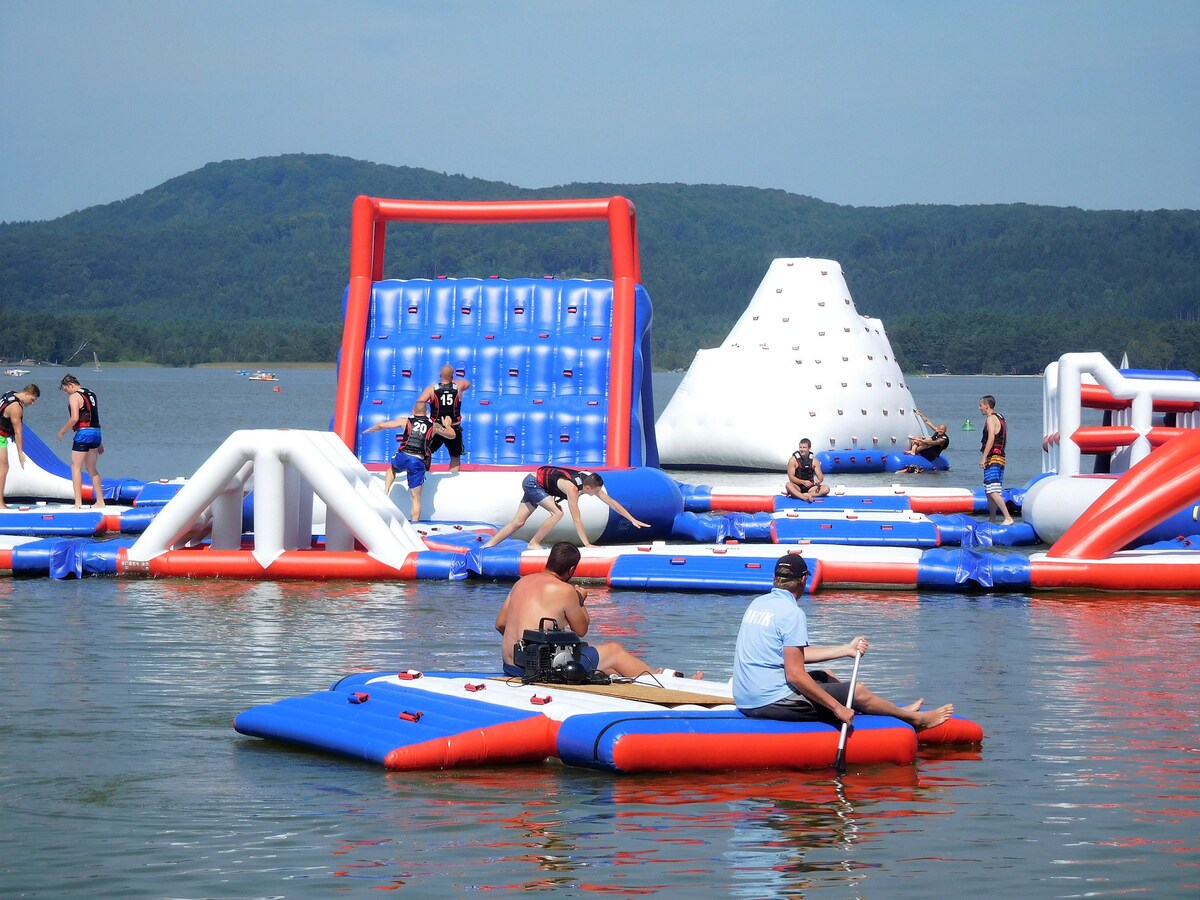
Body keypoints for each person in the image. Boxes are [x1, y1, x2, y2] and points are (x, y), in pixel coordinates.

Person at [733, 553, 954, 731]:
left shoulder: (758, 604)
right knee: (857, 691)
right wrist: (837, 708)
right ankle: (916, 720)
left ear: (775, 579)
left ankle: (897, 711)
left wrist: (846, 649)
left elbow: (794, 655)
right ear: (803, 581)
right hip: (771, 701)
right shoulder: (792, 613)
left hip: (745, 697)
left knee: (826, 675)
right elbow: (795, 675)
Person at [495, 541, 701, 679]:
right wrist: (580, 600)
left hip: (511, 665)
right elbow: (581, 629)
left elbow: (500, 624)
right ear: (571, 570)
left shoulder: (521, 583)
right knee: (614, 651)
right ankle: (661, 681)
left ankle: (641, 676)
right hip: (538, 671)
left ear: (549, 561)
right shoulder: (565, 590)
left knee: (604, 665)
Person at [482, 465, 650, 550]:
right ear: (588, 487)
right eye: (595, 492)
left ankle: (487, 546)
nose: (596, 494)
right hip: (533, 483)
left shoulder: (588, 480)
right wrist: (587, 544)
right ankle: (534, 542)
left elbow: (612, 502)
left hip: (539, 485)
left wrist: (632, 519)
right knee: (557, 513)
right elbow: (576, 519)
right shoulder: (573, 489)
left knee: (518, 522)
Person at [361, 401, 455, 522]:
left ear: (413, 411)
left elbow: (382, 425)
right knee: (416, 498)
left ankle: (385, 491)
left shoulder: (404, 421)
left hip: (402, 456)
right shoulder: (434, 426)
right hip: (417, 461)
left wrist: (371, 429)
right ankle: (415, 524)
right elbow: (452, 435)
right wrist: (448, 425)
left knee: (392, 469)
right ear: (427, 412)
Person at [55, 375, 106, 509]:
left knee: (76, 467)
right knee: (92, 469)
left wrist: (62, 431)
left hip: (83, 433)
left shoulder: (74, 396)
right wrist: (99, 442)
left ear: (71, 385)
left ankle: (78, 503)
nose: (66, 392)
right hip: (96, 433)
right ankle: (100, 501)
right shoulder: (91, 394)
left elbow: (74, 418)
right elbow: (94, 416)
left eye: (66, 389)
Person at [418, 364, 471, 473]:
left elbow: (419, 403)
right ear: (452, 376)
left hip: (436, 427)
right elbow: (467, 384)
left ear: (439, 375)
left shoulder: (431, 389)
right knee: (455, 456)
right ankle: (453, 477)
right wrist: (452, 381)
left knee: (426, 451)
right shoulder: (459, 386)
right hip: (454, 427)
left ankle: (425, 474)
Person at [0, 384, 40, 509]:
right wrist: (20, 453)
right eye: (32, 399)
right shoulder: (16, 407)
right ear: (26, 393)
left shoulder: (10, 393)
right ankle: (0, 503)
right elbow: (18, 432)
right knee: (3, 468)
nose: (32, 403)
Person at [978, 394, 1014, 525]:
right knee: (989, 490)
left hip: (993, 458)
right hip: (1000, 458)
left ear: (986, 406)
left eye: (981, 405)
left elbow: (991, 439)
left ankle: (1008, 517)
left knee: (992, 490)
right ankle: (992, 519)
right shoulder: (1000, 417)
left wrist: (983, 457)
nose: (979, 408)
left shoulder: (991, 419)